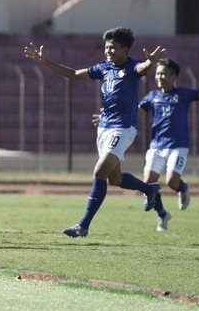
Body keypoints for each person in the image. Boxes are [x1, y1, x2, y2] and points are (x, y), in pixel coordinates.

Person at [24, 26, 166, 238]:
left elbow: (143, 67)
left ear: (125, 50)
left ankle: (83, 225)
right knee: (114, 179)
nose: (108, 52)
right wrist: (45, 62)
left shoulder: (133, 67)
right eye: (107, 48)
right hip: (104, 128)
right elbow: (73, 74)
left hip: (122, 129)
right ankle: (149, 189)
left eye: (113, 48)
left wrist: (151, 61)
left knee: (99, 172)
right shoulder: (104, 68)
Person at [138, 58, 199, 231]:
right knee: (148, 184)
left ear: (173, 76)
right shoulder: (152, 96)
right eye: (157, 74)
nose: (159, 77)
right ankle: (163, 215)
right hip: (157, 146)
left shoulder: (183, 94)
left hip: (178, 146)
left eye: (163, 74)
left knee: (172, 182)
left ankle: (183, 187)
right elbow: (135, 110)